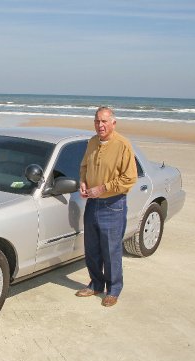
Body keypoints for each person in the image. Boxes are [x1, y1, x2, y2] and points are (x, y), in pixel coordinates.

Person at [76, 106, 137, 307]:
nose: (100, 125)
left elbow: (129, 178)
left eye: (104, 121)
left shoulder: (123, 145)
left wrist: (103, 188)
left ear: (113, 123)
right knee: (92, 249)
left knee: (111, 251)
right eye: (97, 121)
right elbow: (84, 165)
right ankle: (95, 285)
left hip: (113, 204)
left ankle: (113, 290)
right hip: (92, 203)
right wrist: (83, 182)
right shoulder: (92, 142)